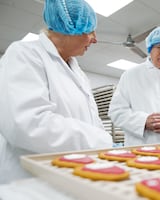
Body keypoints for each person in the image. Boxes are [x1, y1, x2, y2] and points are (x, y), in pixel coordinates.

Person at [0, 0, 112, 183]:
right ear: (70, 28)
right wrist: (102, 141)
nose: (95, 38)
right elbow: (27, 124)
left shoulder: (79, 73)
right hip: (29, 179)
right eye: (90, 30)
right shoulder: (24, 54)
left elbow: (93, 120)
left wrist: (103, 143)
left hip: (74, 173)